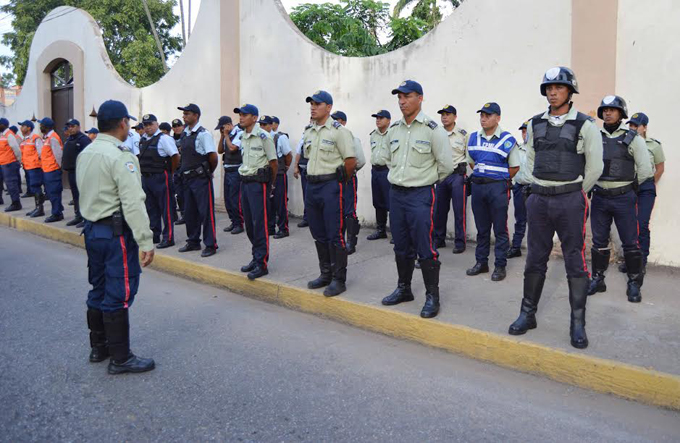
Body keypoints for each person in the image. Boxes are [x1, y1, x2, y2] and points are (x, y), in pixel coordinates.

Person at [508, 66, 603, 349]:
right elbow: (530, 159)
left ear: (570, 92)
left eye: (558, 87)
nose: (552, 92)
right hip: (538, 199)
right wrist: (535, 189)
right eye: (549, 88)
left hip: (569, 200)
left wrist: (573, 192)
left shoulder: (585, 125)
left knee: (574, 259)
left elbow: (595, 167)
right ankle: (528, 314)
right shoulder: (535, 123)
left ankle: (577, 324)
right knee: (535, 257)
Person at [76, 99, 155, 374]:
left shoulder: (86, 152)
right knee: (119, 293)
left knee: (97, 287)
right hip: (115, 235)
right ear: (123, 123)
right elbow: (133, 202)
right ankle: (121, 358)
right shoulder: (121, 156)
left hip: (92, 231)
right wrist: (145, 241)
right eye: (128, 122)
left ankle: (99, 348)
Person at [381, 80, 454, 318]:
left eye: (407, 96)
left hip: (420, 195)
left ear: (420, 98)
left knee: (425, 248)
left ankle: (432, 296)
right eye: (399, 97)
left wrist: (424, 180)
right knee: (401, 246)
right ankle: (404, 289)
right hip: (397, 194)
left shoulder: (433, 130)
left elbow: (445, 166)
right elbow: (389, 160)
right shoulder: (394, 130)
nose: (402, 101)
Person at [587, 96, 653, 303]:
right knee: (599, 242)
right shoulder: (594, 136)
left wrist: (627, 188)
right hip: (599, 198)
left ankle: (634, 283)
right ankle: (598, 279)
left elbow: (645, 171)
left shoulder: (633, 138)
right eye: (605, 109)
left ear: (621, 113)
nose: (608, 112)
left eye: (613, 109)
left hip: (624, 199)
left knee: (630, 243)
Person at [303, 90, 356, 296]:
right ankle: (325, 273)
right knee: (318, 233)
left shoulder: (338, 131)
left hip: (331, 187)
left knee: (335, 234)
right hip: (312, 186)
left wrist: (339, 183)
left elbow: (350, 161)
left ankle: (338, 279)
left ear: (328, 107)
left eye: (317, 103)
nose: (313, 107)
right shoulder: (309, 131)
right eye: (311, 103)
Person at [465, 102, 519, 282]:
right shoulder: (473, 138)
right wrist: (484, 175)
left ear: (498, 118)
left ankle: (500, 265)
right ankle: (481, 263)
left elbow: (514, 167)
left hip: (498, 188)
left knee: (500, 229)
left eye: (488, 115)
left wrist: (497, 178)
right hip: (478, 187)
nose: (483, 119)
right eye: (481, 115)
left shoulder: (507, 139)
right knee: (482, 229)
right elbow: (472, 162)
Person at [235, 104, 278, 279]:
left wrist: (270, 185)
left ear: (254, 118)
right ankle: (256, 257)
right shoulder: (243, 136)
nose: (241, 117)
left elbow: (273, 162)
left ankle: (262, 264)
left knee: (259, 223)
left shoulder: (264, 136)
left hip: (259, 184)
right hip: (245, 183)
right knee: (250, 225)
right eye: (240, 115)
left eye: (244, 115)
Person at [619, 112, 664, 271]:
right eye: (630, 125)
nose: (632, 128)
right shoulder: (624, 142)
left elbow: (660, 168)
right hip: (627, 186)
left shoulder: (654, 145)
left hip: (645, 188)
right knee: (628, 225)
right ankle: (630, 260)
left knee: (642, 224)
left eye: (636, 126)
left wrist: (649, 183)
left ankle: (641, 261)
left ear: (644, 128)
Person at [176, 104, 219, 257]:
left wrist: (208, 172)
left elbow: (213, 157)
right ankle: (193, 241)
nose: (184, 116)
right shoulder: (185, 134)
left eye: (187, 114)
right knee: (190, 212)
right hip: (187, 178)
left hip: (200, 178)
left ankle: (210, 244)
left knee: (205, 212)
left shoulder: (203, 134)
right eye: (184, 114)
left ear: (196, 115)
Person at [139, 114, 180, 248]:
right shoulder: (143, 139)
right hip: (147, 178)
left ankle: (168, 238)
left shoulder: (164, 139)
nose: (148, 127)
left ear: (157, 124)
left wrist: (170, 172)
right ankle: (155, 235)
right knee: (151, 208)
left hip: (161, 177)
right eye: (145, 125)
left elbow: (175, 156)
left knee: (166, 208)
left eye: (150, 124)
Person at [433, 105, 469, 253]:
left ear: (455, 117)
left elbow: (469, 154)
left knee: (459, 211)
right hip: (441, 176)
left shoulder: (463, 135)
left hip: (457, 176)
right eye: (442, 114)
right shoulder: (436, 134)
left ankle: (460, 242)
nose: (444, 117)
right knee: (439, 210)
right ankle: (439, 239)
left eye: (448, 114)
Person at [330, 111, 366, 254]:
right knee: (336, 210)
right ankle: (339, 240)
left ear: (343, 122)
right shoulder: (330, 137)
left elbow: (360, 160)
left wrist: (348, 173)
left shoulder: (351, 137)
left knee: (349, 211)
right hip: (333, 180)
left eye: (336, 120)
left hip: (347, 179)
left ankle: (351, 242)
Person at [507, 120, 532, 258]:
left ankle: (536, 251)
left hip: (534, 189)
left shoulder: (537, 150)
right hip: (519, 187)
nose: (524, 134)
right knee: (520, 219)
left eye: (527, 131)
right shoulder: (517, 149)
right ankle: (516, 247)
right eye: (523, 131)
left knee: (536, 221)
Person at [216, 115, 244, 234]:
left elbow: (233, 148)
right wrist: (223, 136)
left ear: (228, 125)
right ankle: (233, 221)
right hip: (228, 170)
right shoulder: (226, 135)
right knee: (227, 199)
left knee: (234, 198)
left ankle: (239, 223)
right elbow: (220, 150)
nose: (222, 131)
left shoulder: (239, 133)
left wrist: (226, 135)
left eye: (222, 128)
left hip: (236, 170)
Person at [367, 110, 392, 241]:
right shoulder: (373, 135)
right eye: (376, 118)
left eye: (381, 118)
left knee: (391, 203)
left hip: (387, 171)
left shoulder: (393, 134)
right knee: (378, 202)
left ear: (388, 120)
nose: (378, 120)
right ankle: (380, 229)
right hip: (375, 171)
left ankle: (395, 233)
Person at [62, 119, 91, 227]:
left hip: (81, 173)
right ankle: (78, 216)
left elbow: (88, 157)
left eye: (72, 126)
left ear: (78, 127)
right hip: (71, 172)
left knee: (83, 196)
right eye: (69, 126)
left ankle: (86, 218)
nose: (70, 128)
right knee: (75, 196)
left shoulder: (84, 140)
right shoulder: (69, 139)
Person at [38, 117, 64, 222]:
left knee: (54, 193)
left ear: (47, 127)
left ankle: (57, 213)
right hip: (48, 169)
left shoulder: (53, 137)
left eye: (41, 125)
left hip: (52, 170)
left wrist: (57, 168)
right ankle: (57, 211)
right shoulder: (47, 138)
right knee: (52, 193)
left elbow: (58, 155)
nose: (40, 127)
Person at [270, 116, 293, 239]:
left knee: (280, 202)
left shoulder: (280, 137)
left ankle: (283, 228)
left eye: (266, 124)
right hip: (267, 175)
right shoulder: (262, 137)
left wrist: (285, 168)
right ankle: (271, 227)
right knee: (269, 202)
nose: (263, 127)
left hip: (278, 174)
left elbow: (288, 155)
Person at [19, 120, 45, 217]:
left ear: (29, 128)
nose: (21, 128)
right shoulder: (25, 139)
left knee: (36, 186)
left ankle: (40, 209)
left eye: (23, 126)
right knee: (33, 187)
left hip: (35, 167)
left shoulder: (35, 138)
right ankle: (37, 207)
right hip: (28, 167)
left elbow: (40, 153)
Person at [0, 118, 22, 212]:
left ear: (3, 125)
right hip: (2, 162)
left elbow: (16, 149)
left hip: (9, 163)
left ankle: (16, 203)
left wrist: (18, 160)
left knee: (11, 183)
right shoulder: (2, 135)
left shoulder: (9, 135)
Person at [293, 123, 311, 228]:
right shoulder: (305, 134)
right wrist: (296, 166)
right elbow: (299, 151)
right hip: (304, 169)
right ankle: (307, 218)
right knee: (306, 195)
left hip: (315, 172)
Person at [171, 118, 186, 224]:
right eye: (174, 127)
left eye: (178, 126)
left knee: (189, 194)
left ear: (183, 126)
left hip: (186, 169)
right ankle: (184, 215)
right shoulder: (170, 140)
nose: (176, 128)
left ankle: (197, 216)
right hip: (176, 170)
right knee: (179, 195)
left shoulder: (186, 137)